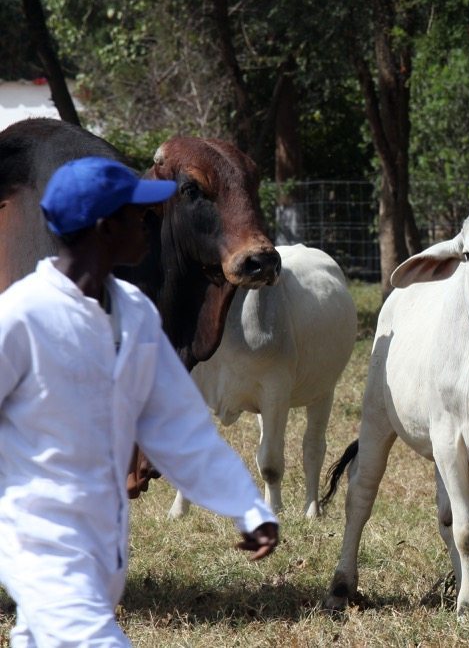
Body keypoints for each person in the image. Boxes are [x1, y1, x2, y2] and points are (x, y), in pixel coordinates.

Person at [0, 156, 279, 647]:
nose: (153, 223)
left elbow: (179, 426)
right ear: (106, 228)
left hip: (104, 541)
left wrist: (246, 507)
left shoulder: (133, 314)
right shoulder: (23, 316)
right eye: (138, 214)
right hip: (38, 538)